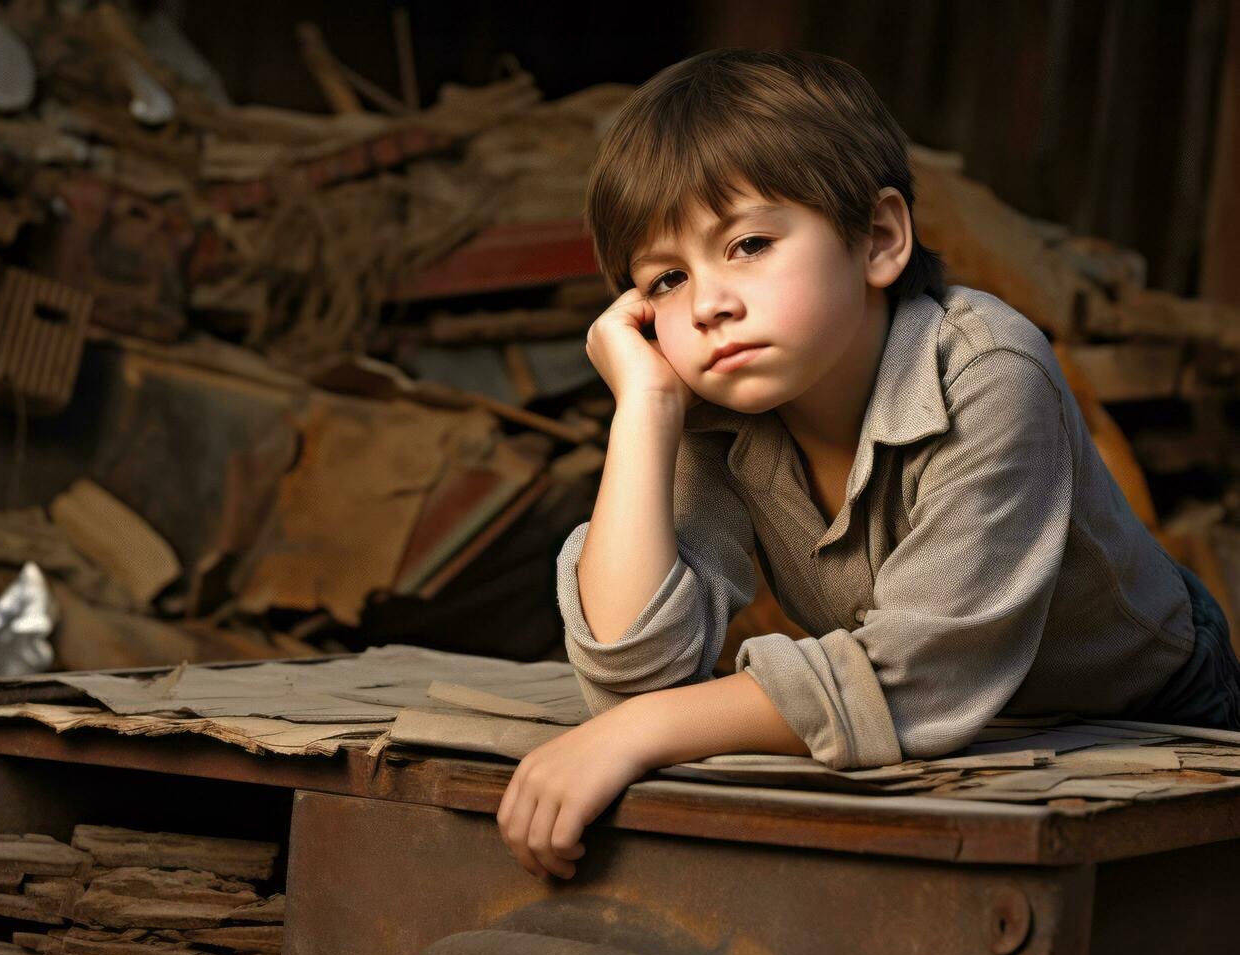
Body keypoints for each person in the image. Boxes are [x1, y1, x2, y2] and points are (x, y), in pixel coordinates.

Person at [495, 47, 1239, 882]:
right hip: (963, 750)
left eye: (746, 243)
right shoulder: (716, 415)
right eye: (665, 279)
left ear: (879, 239)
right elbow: (636, 670)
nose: (707, 304)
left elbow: (916, 673)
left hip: (1146, 718)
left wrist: (632, 735)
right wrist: (645, 408)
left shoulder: (989, 370)